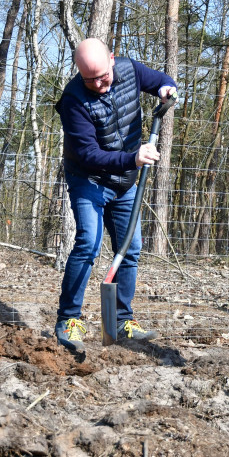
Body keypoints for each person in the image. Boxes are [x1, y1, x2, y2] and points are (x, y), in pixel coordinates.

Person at [53, 38, 177, 353]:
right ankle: (69, 319)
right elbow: (89, 155)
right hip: (88, 179)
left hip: (124, 182)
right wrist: (133, 158)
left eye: (102, 76)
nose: (97, 84)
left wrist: (166, 89)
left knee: (130, 248)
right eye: (89, 79)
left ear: (111, 59)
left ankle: (123, 321)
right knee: (88, 243)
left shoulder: (129, 69)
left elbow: (161, 81)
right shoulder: (73, 100)